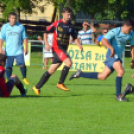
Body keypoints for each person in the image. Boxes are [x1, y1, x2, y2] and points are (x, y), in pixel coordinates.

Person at [69, 19, 134, 102]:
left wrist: (133, 59)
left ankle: (80, 74)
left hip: (117, 56)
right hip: (112, 54)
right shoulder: (115, 31)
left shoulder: (131, 34)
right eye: (130, 28)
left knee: (102, 76)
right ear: (126, 26)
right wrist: (111, 48)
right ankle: (118, 96)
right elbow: (103, 39)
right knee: (121, 71)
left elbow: (132, 47)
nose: (131, 30)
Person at [32, 7, 83, 95]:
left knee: (51, 70)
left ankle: (37, 87)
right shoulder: (57, 24)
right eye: (68, 14)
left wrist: (79, 45)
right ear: (63, 14)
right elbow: (45, 32)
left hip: (63, 49)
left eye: (70, 14)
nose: (69, 16)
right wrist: (47, 44)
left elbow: (74, 38)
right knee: (69, 63)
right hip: (57, 48)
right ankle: (60, 83)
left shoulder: (71, 26)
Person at [0, 12, 29, 85]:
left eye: (15, 18)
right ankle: (8, 79)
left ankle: (24, 77)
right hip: (8, 51)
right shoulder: (5, 27)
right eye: (12, 18)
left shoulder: (20, 26)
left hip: (18, 50)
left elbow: (24, 37)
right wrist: (0, 48)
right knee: (9, 66)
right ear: (9, 18)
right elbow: (1, 38)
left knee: (22, 64)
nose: (14, 20)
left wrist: (26, 48)